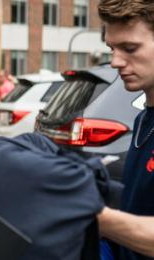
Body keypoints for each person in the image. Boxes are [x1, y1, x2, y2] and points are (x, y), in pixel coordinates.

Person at [96, 0, 154, 258]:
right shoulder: (144, 119)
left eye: (129, 48)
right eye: (111, 48)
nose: (115, 61)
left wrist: (92, 215)